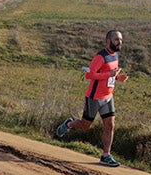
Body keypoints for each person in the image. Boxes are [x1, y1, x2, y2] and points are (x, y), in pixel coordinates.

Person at [55, 30, 129, 167]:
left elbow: (111, 74)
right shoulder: (100, 57)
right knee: (85, 126)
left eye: (120, 40)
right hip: (94, 97)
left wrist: (118, 77)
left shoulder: (116, 55)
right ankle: (69, 124)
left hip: (108, 97)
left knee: (110, 125)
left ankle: (106, 155)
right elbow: (89, 75)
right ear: (107, 41)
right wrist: (108, 74)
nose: (119, 42)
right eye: (116, 39)